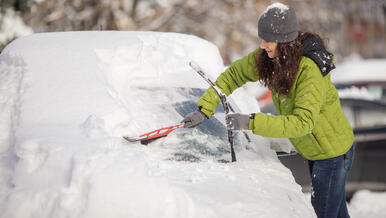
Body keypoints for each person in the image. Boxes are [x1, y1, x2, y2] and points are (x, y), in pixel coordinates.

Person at [182, 3, 355, 218]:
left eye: (268, 40)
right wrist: (204, 108)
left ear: (284, 42)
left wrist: (250, 122)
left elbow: (302, 122)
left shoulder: (309, 70)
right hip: (316, 150)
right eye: (261, 39)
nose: (262, 45)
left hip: (333, 154)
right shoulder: (270, 59)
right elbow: (233, 75)